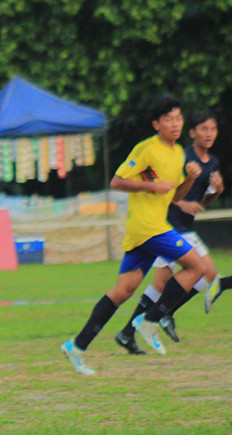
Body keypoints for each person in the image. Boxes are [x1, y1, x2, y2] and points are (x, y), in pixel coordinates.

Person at [60, 95, 205, 374]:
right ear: (156, 124)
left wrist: (190, 179)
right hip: (147, 227)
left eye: (178, 118)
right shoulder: (146, 149)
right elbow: (116, 181)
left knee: (123, 291)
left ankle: (76, 346)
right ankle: (150, 320)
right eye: (168, 119)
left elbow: (174, 196)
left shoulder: (178, 154)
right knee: (197, 266)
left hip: (151, 227)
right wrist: (150, 187)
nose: (175, 124)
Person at [115, 110, 224, 353]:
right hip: (168, 225)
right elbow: (168, 192)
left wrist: (216, 192)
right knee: (198, 274)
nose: (209, 134)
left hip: (185, 226)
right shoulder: (182, 156)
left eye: (213, 129)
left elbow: (201, 205)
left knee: (186, 279)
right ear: (192, 132)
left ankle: (132, 330)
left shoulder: (213, 163)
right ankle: (156, 317)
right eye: (204, 129)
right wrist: (180, 202)